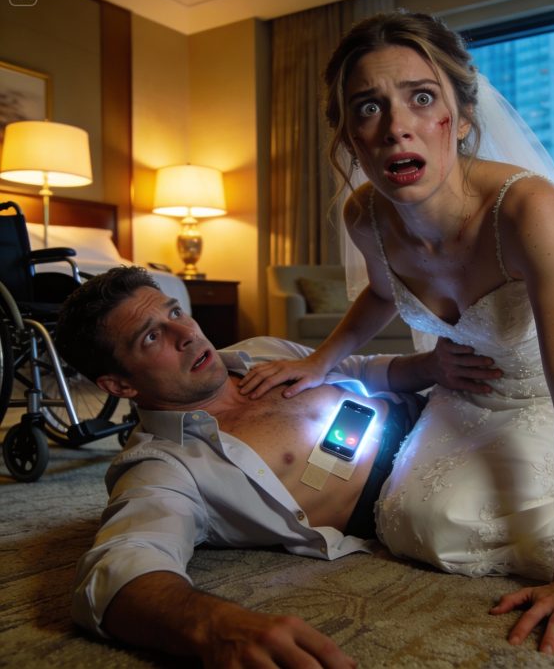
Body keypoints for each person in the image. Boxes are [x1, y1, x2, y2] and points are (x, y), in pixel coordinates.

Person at [239, 10, 554, 656]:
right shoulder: (364, 215)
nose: (396, 126)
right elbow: (382, 292)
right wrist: (321, 360)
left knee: (485, 526)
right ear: (349, 134)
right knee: (410, 520)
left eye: (421, 98)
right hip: (474, 385)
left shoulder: (525, 207)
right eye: (368, 107)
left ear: (461, 117)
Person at [56, 265, 499, 668]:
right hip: (432, 489)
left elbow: (363, 370)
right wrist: (215, 625)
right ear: (119, 385)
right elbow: (116, 570)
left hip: (445, 408)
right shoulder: (164, 465)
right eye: (151, 337)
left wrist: (432, 365)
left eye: (175, 312)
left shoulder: (257, 351)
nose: (185, 333)